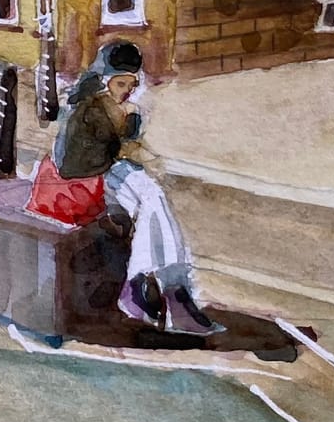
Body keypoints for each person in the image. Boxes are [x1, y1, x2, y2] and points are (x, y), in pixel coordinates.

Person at [52, 41, 220, 336]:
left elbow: (128, 150)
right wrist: (121, 143)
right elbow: (70, 164)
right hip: (86, 183)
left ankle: (154, 288)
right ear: (104, 81)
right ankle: (169, 292)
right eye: (120, 83)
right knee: (152, 196)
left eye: (131, 83)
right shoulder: (86, 111)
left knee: (153, 200)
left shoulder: (125, 110)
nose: (126, 90)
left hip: (115, 179)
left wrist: (129, 129)